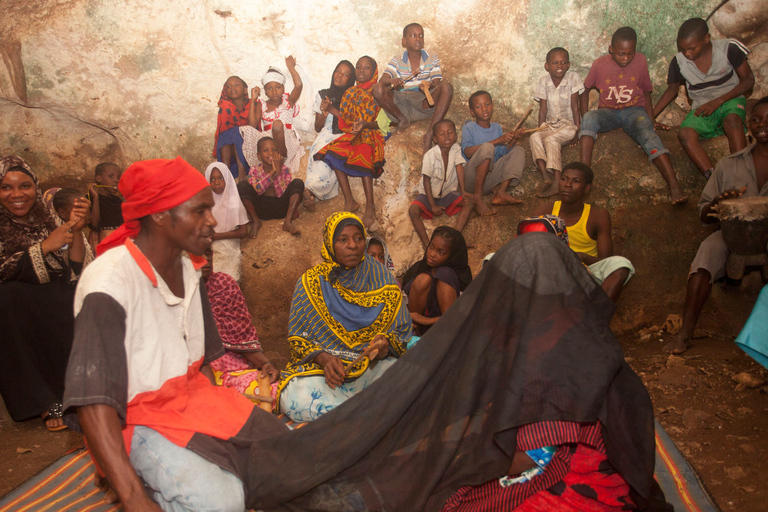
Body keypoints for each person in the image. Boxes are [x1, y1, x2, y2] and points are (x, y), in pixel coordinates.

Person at [243, 233, 667, 512]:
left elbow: (528, 437)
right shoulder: (552, 333)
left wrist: (459, 448)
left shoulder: (563, 352)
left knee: (422, 472)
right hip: (522, 440)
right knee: (413, 445)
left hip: (558, 464)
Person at [63, 157, 288, 512]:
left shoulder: (189, 269)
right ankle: (136, 483)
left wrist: (216, 430)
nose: (213, 221)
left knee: (287, 456)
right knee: (220, 500)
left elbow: (205, 365)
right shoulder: (108, 284)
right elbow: (93, 402)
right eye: (200, 211)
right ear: (159, 215)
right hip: (136, 420)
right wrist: (134, 497)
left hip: (190, 401)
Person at [277, 212, 413, 422]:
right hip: (324, 375)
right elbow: (298, 339)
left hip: (371, 370)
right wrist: (323, 358)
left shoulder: (383, 279)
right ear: (330, 243)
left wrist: (386, 345)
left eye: (358, 238)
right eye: (343, 239)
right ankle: (369, 418)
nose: (353, 245)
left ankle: (347, 420)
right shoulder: (310, 283)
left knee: (407, 378)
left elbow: (400, 334)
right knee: (295, 396)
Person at [666, 97, 768, 354]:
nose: (761, 125)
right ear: (748, 125)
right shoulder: (729, 164)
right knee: (706, 256)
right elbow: (705, 213)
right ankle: (685, 333)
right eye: (755, 120)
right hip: (732, 234)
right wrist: (718, 206)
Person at [0, 156, 91, 432]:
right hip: (13, 308)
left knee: (75, 292)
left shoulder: (47, 217)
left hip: (51, 297)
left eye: (25, 185)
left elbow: (73, 267)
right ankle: (45, 401)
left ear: (35, 188)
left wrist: (75, 229)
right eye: (6, 187)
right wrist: (43, 248)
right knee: (8, 298)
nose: (17, 194)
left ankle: (78, 389)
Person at [580, 26, 688, 205]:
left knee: (648, 134)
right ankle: (583, 177)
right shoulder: (600, 64)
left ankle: (674, 186)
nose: (626, 58)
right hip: (608, 111)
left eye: (630, 53)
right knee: (590, 118)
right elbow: (584, 90)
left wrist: (651, 120)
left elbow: (646, 92)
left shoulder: (641, 61)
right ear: (611, 49)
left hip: (634, 111)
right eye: (621, 54)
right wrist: (584, 118)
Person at [654, 18, 754, 179]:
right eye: (683, 49)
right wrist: (649, 117)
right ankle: (713, 178)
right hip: (702, 106)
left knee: (732, 121)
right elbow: (672, 90)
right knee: (685, 133)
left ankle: (740, 175)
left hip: (730, 100)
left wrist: (718, 101)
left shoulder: (728, 48)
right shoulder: (679, 62)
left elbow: (748, 80)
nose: (687, 53)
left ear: (706, 39)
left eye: (692, 48)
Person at [534, 162, 635, 302]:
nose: (567, 185)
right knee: (493, 259)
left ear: (587, 188)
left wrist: (581, 257)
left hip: (585, 276)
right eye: (564, 179)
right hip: (551, 273)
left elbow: (606, 261)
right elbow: (530, 249)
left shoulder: (597, 215)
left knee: (621, 265)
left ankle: (595, 315)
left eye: (576, 181)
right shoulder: (544, 210)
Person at [314, 56, 385, 228]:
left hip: (370, 131)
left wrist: (365, 125)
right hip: (354, 131)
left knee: (363, 153)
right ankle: (349, 200)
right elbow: (346, 120)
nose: (361, 70)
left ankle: (370, 205)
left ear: (374, 71)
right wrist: (330, 110)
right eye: (359, 67)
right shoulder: (350, 92)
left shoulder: (378, 91)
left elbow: (384, 122)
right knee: (333, 152)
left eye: (366, 67)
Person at [201, 248, 279, 402]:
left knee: (271, 390)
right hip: (192, 373)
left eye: (208, 252)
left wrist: (266, 364)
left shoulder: (223, 285)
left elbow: (242, 341)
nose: (206, 258)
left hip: (231, 369)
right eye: (197, 252)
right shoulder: (173, 294)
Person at [372, 22, 454, 152]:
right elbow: (383, 80)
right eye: (413, 35)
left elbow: (437, 84)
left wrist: (428, 86)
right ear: (404, 41)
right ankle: (402, 119)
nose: (418, 38)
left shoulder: (431, 58)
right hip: (401, 103)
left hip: (423, 102)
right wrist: (393, 81)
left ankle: (430, 134)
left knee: (447, 87)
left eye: (421, 35)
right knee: (377, 88)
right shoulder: (397, 59)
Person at [409, 119, 473, 249]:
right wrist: (432, 205)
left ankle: (455, 237)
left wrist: (463, 190)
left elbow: (459, 168)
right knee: (413, 210)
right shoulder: (430, 155)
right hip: (429, 194)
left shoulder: (456, 149)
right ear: (435, 138)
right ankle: (427, 244)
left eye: (450, 133)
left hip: (448, 193)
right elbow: (426, 180)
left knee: (469, 203)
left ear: (455, 136)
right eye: (442, 134)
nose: (447, 136)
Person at [461, 90, 525, 216]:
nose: (484, 109)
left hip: (488, 180)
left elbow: (501, 153)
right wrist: (498, 140)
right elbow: (468, 152)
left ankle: (501, 192)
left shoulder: (497, 127)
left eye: (487, 104)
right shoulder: (469, 127)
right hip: (471, 180)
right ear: (472, 112)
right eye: (478, 106)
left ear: (493, 106)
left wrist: (513, 140)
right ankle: (478, 198)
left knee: (518, 150)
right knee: (487, 148)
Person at [531, 47, 584, 198]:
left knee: (551, 139)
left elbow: (575, 107)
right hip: (551, 125)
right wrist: (540, 128)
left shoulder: (573, 78)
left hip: (568, 125)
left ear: (568, 65)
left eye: (563, 62)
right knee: (535, 137)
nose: (559, 66)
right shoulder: (543, 81)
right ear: (547, 66)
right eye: (555, 63)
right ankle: (544, 174)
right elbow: (542, 109)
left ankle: (556, 181)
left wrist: (577, 131)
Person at [305, 60, 356, 206]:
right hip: (326, 133)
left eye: (345, 74)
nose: (339, 76)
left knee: (331, 153)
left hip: (344, 134)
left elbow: (351, 121)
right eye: (338, 71)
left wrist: (333, 110)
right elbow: (317, 126)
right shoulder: (323, 95)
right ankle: (311, 191)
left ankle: (311, 190)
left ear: (350, 80)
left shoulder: (353, 97)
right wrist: (324, 113)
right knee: (319, 152)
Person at [241, 57, 305, 174]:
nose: (274, 92)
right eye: (270, 88)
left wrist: (291, 67)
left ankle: (279, 162)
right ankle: (272, 164)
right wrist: (253, 100)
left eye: (278, 87)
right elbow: (252, 124)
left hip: (287, 144)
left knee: (277, 124)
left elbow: (299, 86)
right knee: (246, 130)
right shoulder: (262, 105)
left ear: (283, 88)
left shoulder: (288, 101)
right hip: (269, 144)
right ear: (265, 91)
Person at [402, 226, 472, 334]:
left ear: (453, 255)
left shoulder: (459, 276)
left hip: (447, 329)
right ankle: (413, 332)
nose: (432, 254)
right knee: (423, 279)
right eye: (431, 247)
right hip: (417, 327)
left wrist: (427, 320)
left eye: (441, 252)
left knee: (444, 273)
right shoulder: (419, 268)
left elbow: (457, 317)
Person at [237, 137, 304, 238]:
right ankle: (256, 221)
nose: (271, 153)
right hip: (261, 209)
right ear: (259, 156)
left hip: (281, 207)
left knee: (298, 183)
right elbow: (258, 190)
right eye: (266, 150)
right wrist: (273, 172)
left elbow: (281, 193)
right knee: (242, 185)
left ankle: (288, 221)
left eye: (274, 150)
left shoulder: (285, 170)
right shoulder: (254, 170)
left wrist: (278, 172)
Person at [205, 162, 249, 280]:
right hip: (208, 247)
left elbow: (244, 232)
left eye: (221, 178)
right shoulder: (206, 205)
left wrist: (217, 236)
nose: (216, 183)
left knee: (227, 279)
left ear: (228, 179)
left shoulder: (234, 203)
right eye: (212, 179)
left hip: (228, 246)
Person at [214, 76, 251, 178]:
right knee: (229, 134)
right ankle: (225, 174)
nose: (232, 88)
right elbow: (223, 133)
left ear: (245, 90)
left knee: (236, 133)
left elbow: (252, 126)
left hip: (250, 146)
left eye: (236, 85)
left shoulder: (253, 104)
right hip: (231, 152)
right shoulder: (226, 107)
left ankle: (241, 173)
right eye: (228, 86)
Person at [87, 162, 123, 248]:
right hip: (101, 242)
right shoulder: (90, 198)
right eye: (111, 176)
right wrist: (95, 198)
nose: (116, 180)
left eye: (118, 177)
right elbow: (94, 225)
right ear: (99, 179)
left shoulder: (117, 200)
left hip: (118, 241)